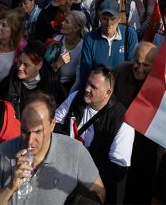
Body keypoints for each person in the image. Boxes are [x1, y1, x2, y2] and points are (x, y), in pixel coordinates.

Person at [0, 91, 105, 205]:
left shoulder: (75, 152)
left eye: (38, 132)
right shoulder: (1, 153)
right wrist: (10, 188)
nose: (30, 141)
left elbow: (99, 194)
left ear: (53, 124)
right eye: (25, 131)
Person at [54, 65, 133, 203]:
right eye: (87, 83)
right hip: (65, 182)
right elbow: (54, 124)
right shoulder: (75, 98)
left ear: (108, 92)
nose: (87, 89)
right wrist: (68, 143)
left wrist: (82, 160)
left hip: (96, 193)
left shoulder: (123, 121)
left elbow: (117, 169)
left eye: (94, 87)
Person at [79, 0, 138, 86]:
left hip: (121, 87)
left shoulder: (129, 34)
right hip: (98, 88)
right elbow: (85, 71)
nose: (109, 23)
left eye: (113, 19)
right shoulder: (90, 38)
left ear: (118, 19)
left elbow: (132, 67)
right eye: (105, 19)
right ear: (99, 17)